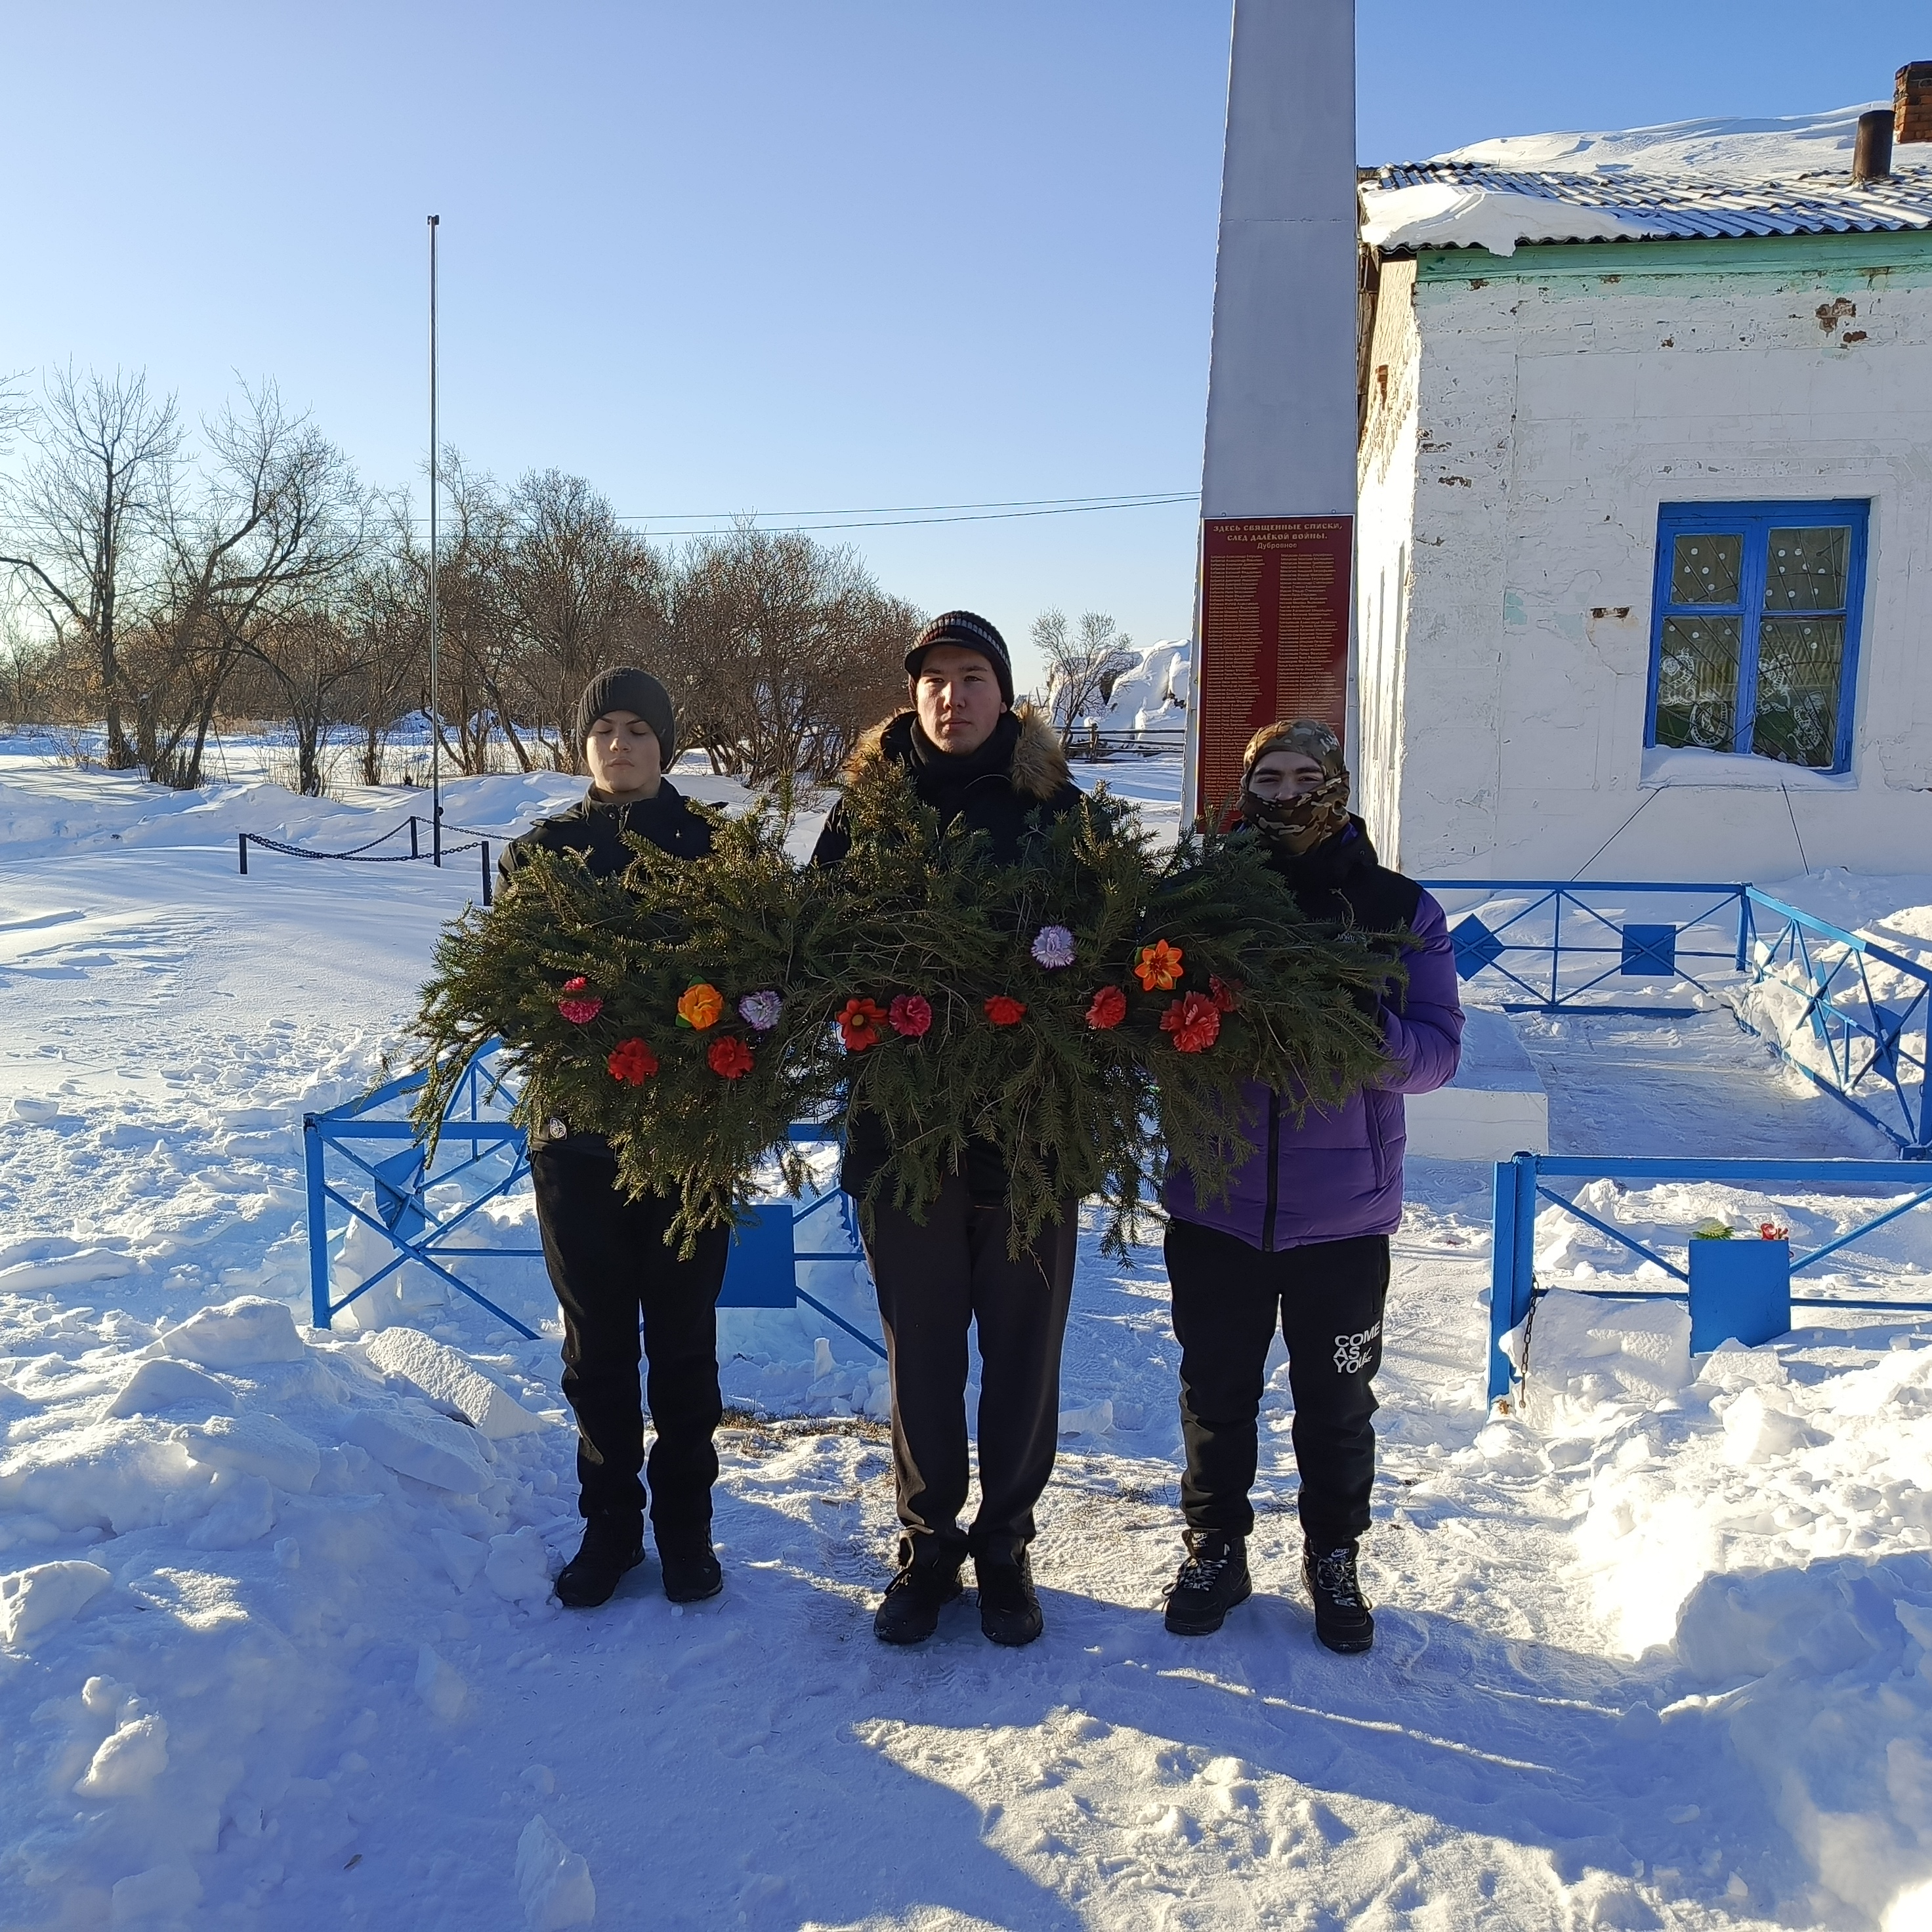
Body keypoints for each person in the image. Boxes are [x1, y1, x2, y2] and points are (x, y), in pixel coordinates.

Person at [1159, 720, 1462, 1652]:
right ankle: (1217, 1544)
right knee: (1217, 1391)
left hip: (1342, 1218)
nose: (1285, 795)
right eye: (1267, 778)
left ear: (1336, 782)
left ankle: (1335, 1553)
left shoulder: (1397, 908)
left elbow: (1440, 1055)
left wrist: (1367, 1032)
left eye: (1304, 776)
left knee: (1337, 1401)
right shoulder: (1203, 903)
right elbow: (1142, 1019)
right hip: (1218, 1204)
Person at [812, 610, 1084, 1648]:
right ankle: (926, 1547)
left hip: (1030, 1136)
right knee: (921, 1354)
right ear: (912, 693)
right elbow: (819, 946)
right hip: (903, 1134)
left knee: (1024, 1353)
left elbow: (1105, 958)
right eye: (934, 679)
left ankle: (1006, 1544)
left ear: (1002, 693)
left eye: (973, 678)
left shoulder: (1056, 807)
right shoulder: (865, 813)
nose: (952, 697)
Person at [498, 667, 728, 1610]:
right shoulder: (541, 854)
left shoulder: (712, 848)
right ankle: (610, 1532)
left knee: (682, 1349)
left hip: (686, 1142)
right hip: (576, 1143)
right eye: (603, 729)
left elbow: (755, 981)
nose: (619, 744)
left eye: (638, 728)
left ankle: (686, 1534)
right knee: (596, 1353)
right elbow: (511, 987)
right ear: (582, 743)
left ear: (665, 744)